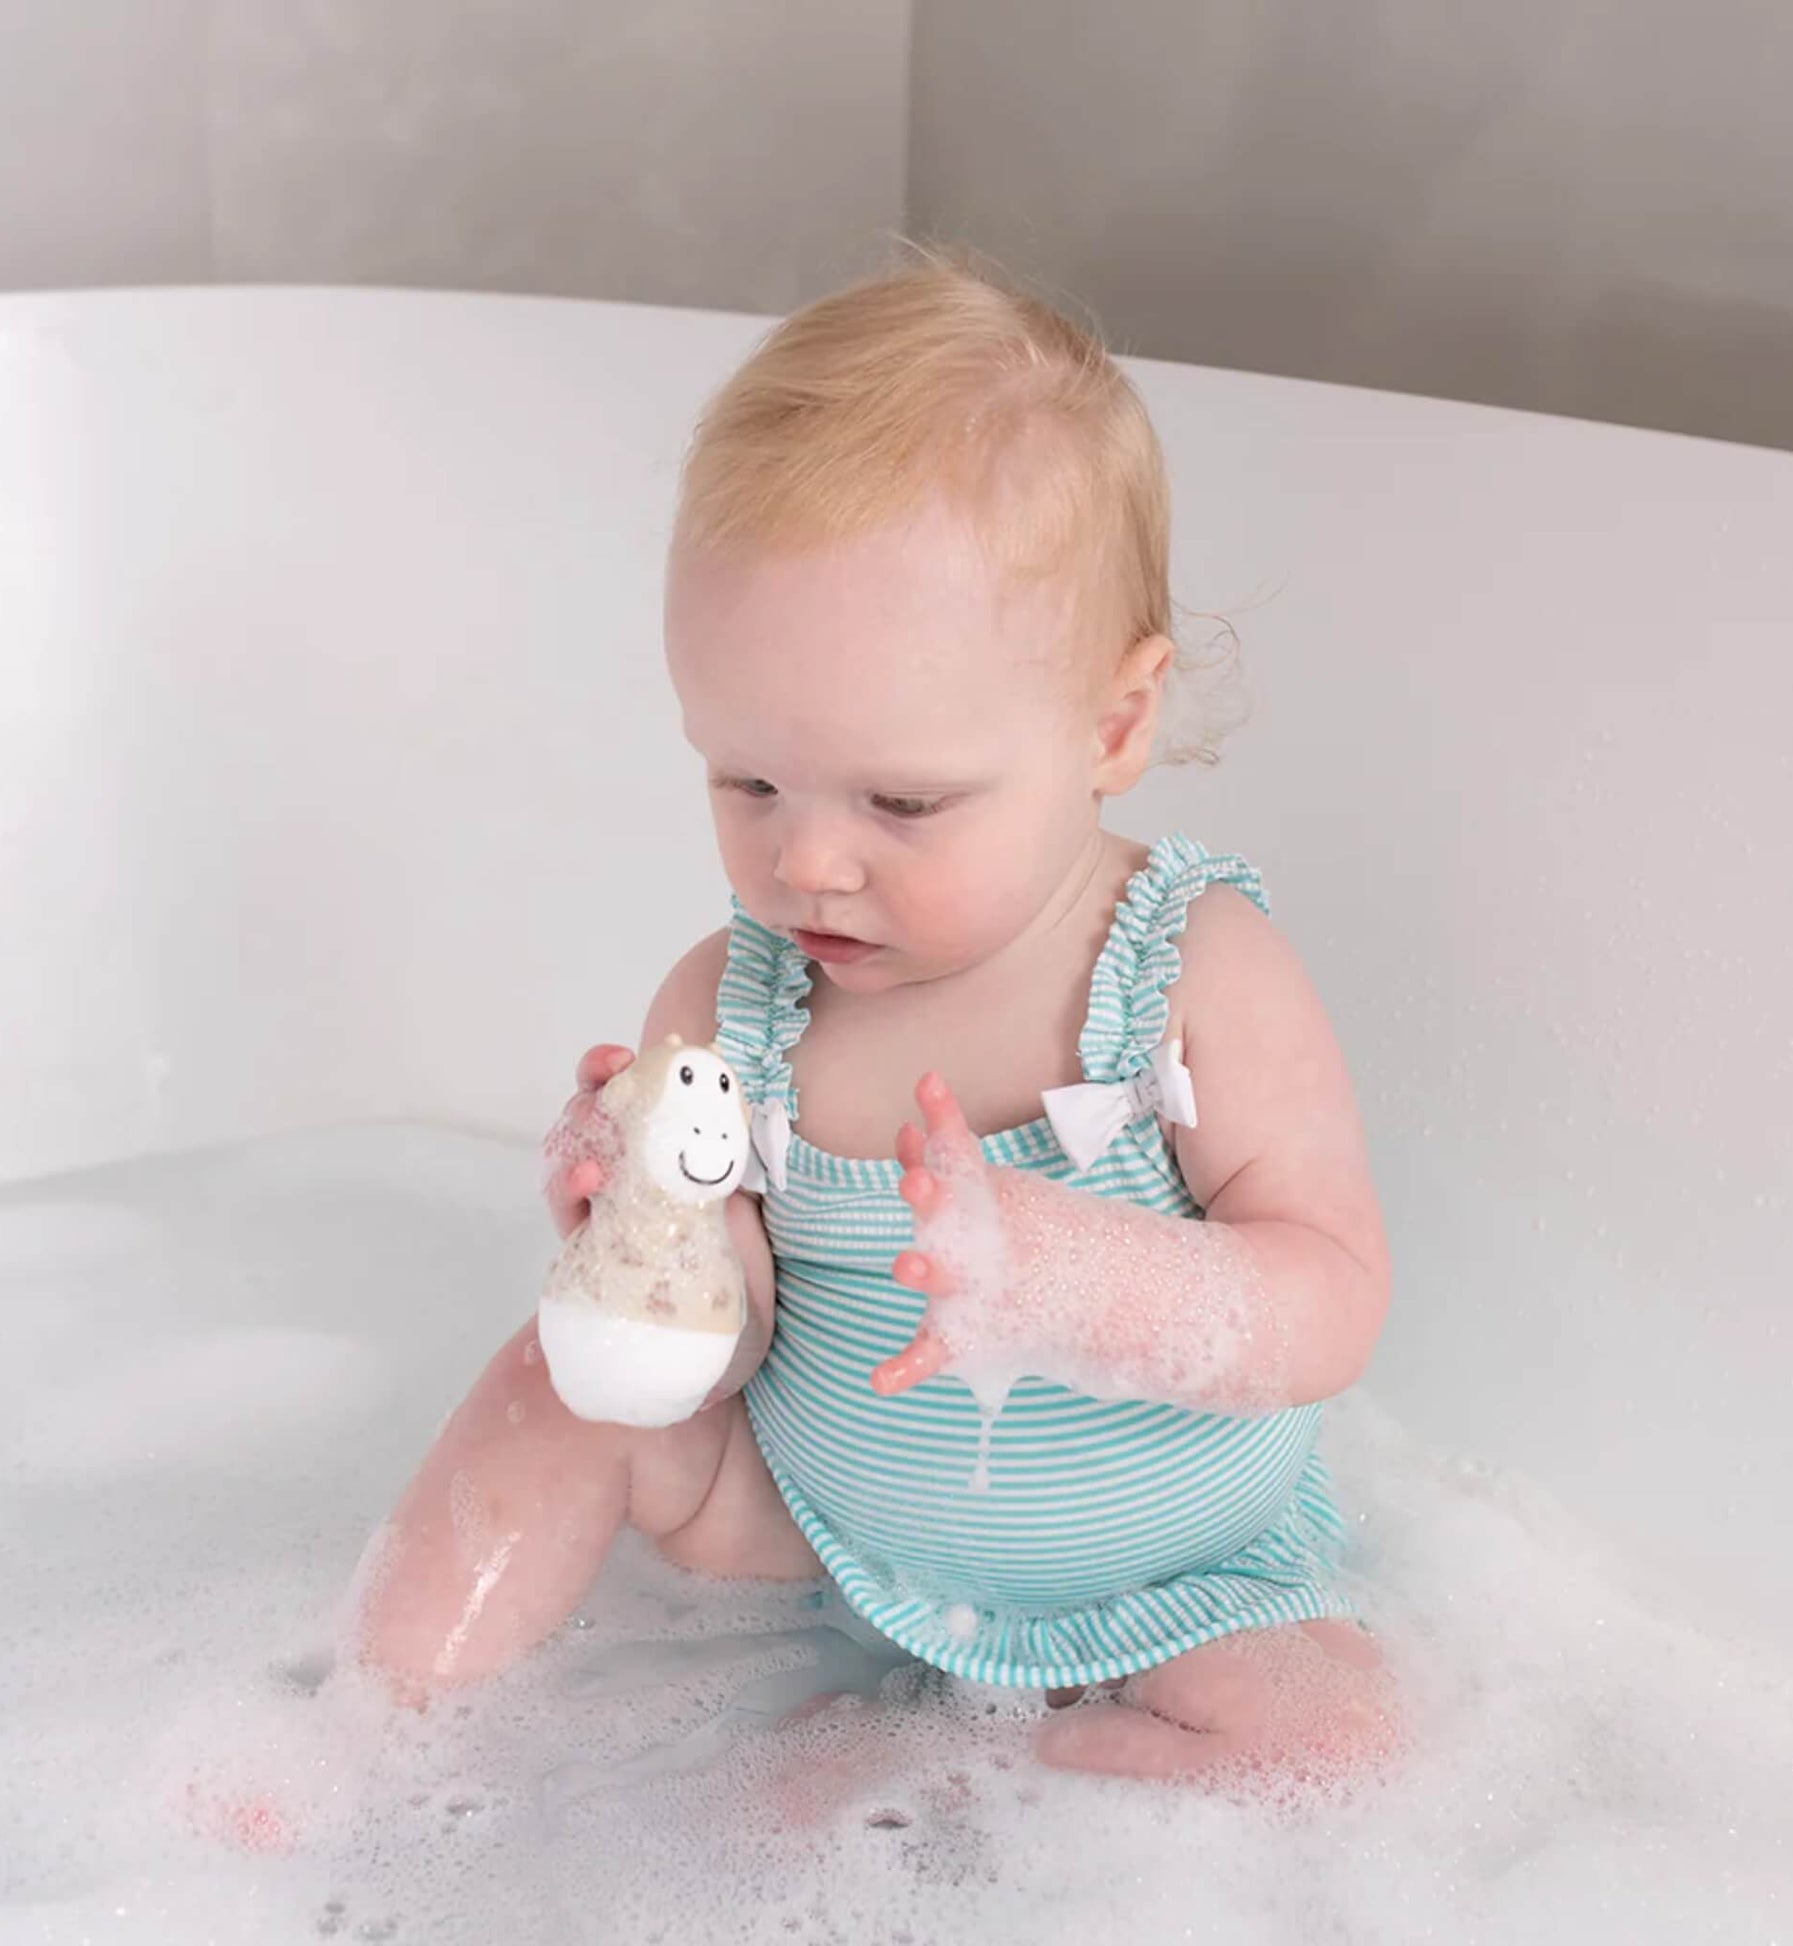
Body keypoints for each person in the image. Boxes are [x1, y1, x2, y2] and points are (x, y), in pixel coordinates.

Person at [352, 244, 1400, 1785]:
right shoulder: (736, 1006)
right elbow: (743, 1341)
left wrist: (1073, 1275)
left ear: (1112, 724)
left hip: (1172, 1580)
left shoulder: (1191, 971)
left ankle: (983, 1786)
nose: (806, 860)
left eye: (900, 799)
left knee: (1342, 1745)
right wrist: (651, 1264)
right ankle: (369, 1732)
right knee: (558, 1383)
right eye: (748, 779)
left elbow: (1330, 1300)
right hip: (815, 1528)